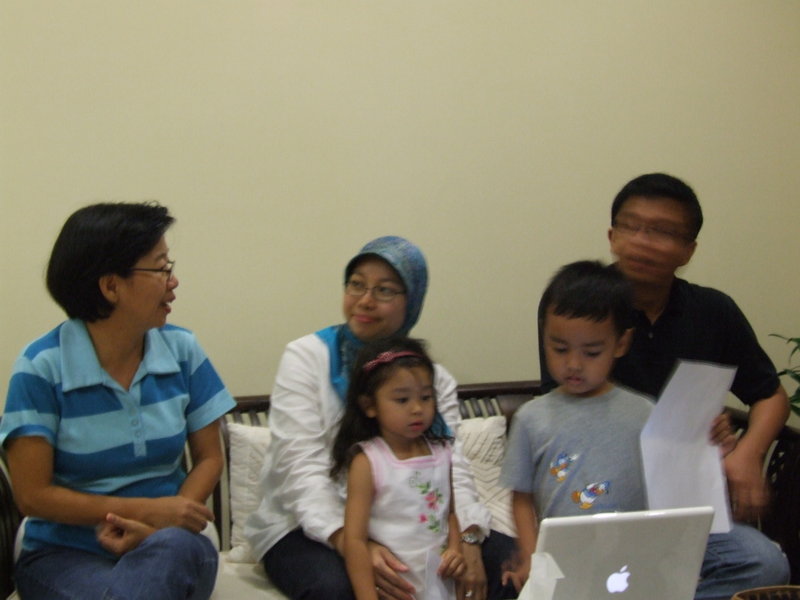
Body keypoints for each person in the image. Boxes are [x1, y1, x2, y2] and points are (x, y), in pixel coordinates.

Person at [538, 173, 791, 598]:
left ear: (688, 250)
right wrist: (689, 431)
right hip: (602, 499)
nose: (643, 241)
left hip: (685, 503)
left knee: (764, 563)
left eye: (663, 232)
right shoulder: (578, 305)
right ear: (612, 236)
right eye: (631, 226)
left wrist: (746, 454)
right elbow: (563, 409)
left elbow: (770, 396)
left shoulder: (713, 311)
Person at [245, 235, 517, 600]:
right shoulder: (306, 358)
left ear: (412, 302)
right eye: (356, 284)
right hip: (302, 526)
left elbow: (454, 470)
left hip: (413, 523)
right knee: (335, 589)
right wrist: (354, 544)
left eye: (384, 290)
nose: (365, 300)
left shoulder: (431, 380)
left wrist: (468, 538)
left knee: (510, 566)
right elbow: (301, 470)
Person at [0, 202, 235, 600]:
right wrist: (144, 511)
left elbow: (210, 457)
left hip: (169, 543)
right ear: (111, 286)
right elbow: (32, 494)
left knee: (174, 552)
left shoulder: (182, 350)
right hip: (65, 553)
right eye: (161, 269)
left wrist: (164, 521)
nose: (173, 281)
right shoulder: (41, 367)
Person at [501, 260, 654, 592]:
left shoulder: (645, 414)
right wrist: (530, 555)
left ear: (621, 343)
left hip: (632, 564)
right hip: (560, 565)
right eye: (559, 349)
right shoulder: (531, 418)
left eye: (591, 352)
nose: (573, 364)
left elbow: (667, 491)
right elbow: (521, 498)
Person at [331, 337, 466, 600]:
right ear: (370, 406)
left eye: (426, 397)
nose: (417, 409)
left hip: (439, 584)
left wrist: (456, 548)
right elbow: (355, 540)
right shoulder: (368, 461)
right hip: (394, 588)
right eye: (402, 400)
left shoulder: (442, 453)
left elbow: (449, 513)